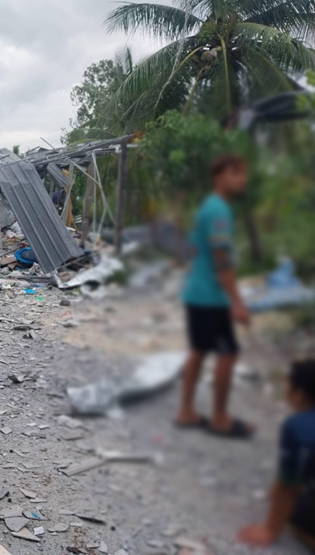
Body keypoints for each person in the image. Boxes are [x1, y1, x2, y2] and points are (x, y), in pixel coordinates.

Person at [175, 154, 253, 438]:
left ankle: (186, 410)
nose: (242, 179)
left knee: (198, 351)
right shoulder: (218, 210)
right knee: (228, 354)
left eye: (243, 173)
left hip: (198, 292)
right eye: (236, 173)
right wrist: (237, 302)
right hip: (211, 297)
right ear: (219, 177)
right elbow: (221, 259)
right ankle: (219, 417)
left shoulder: (209, 207)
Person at [239, 359, 315, 548]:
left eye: (288, 384)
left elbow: (289, 486)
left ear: (299, 395)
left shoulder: (297, 427)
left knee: (296, 510)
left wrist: (270, 529)